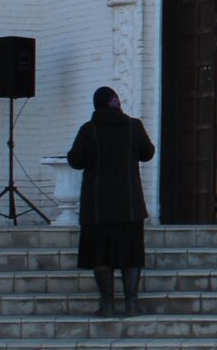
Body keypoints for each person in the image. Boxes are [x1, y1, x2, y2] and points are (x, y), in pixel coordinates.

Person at [65, 86, 154, 316]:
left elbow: (76, 160)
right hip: (129, 205)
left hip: (97, 207)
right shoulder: (134, 127)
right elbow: (148, 152)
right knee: (131, 254)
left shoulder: (89, 130)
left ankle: (107, 304)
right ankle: (131, 304)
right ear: (115, 102)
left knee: (100, 255)